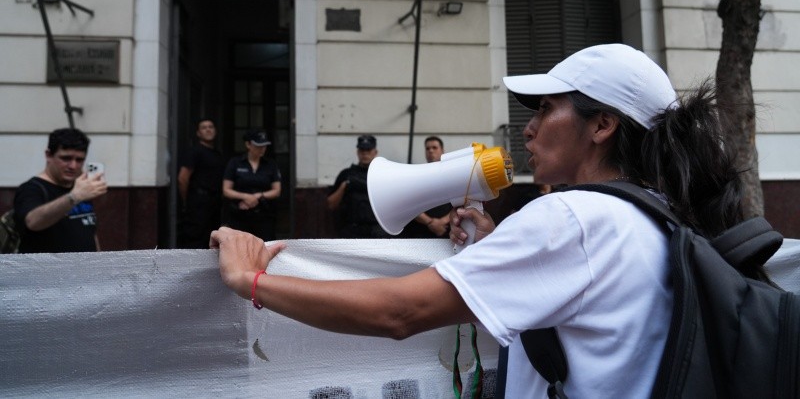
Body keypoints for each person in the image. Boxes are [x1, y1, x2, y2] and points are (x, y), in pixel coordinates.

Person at [212, 44, 744, 397]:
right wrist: (498, 247)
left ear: (602, 124)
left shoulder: (574, 218)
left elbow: (399, 313)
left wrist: (253, 281)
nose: (529, 129)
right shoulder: (654, 210)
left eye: (544, 110)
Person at [14, 128, 108, 252]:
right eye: (66, 158)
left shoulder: (80, 186)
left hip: (85, 268)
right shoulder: (32, 188)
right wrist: (73, 197)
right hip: (46, 269)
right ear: (49, 155)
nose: (73, 166)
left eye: (79, 160)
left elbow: (89, 230)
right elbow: (32, 222)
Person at [222, 129, 282, 241]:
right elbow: (226, 190)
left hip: (264, 214)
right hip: (239, 214)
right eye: (258, 145)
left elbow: (277, 190)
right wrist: (245, 197)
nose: (262, 149)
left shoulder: (270, 165)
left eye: (264, 145)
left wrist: (257, 196)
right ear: (248, 144)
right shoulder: (235, 163)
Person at [326, 134, 390, 238]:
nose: (365, 154)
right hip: (352, 230)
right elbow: (331, 204)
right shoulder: (347, 174)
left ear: (375, 152)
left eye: (368, 150)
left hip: (377, 231)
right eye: (362, 150)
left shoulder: (382, 175)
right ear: (357, 152)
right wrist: (344, 186)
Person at [177, 118, 225, 248]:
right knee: (196, 237)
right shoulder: (194, 152)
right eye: (204, 127)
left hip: (214, 202)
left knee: (211, 237)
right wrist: (187, 200)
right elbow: (183, 177)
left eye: (211, 126)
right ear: (198, 133)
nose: (208, 129)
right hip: (198, 202)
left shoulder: (217, 154)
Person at [400, 136, 452, 238]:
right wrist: (430, 222)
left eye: (434, 147)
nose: (431, 151)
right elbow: (410, 204)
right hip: (420, 232)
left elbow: (459, 204)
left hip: (446, 231)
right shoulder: (416, 175)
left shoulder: (451, 175)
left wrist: (442, 222)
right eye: (427, 148)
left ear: (442, 151)